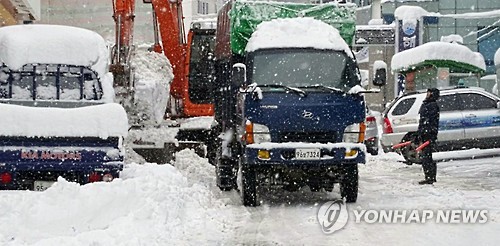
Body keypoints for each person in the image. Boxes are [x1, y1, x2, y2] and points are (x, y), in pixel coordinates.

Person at [417, 88, 440, 185]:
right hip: (424, 133)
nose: (427, 94)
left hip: (428, 134)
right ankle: (429, 176)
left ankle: (430, 177)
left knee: (427, 157)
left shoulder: (432, 105)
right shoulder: (426, 104)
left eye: (429, 93)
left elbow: (432, 122)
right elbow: (422, 120)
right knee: (426, 156)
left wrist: (429, 134)